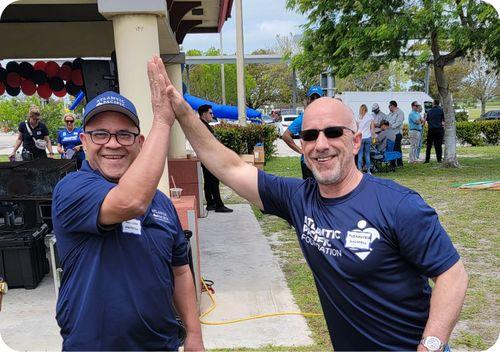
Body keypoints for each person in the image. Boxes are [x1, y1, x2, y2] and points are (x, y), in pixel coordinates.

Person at [161, 72, 468, 350]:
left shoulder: (398, 205)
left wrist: (431, 346)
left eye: (333, 132)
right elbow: (228, 167)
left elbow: (452, 275)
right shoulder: (299, 198)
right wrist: (183, 112)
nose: (320, 144)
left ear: (356, 141)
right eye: (310, 136)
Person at [51, 57, 203, 351]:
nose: (113, 143)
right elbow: (130, 201)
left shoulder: (161, 204)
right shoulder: (71, 190)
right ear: (83, 141)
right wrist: (162, 119)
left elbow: (181, 272)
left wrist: (194, 336)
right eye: (100, 134)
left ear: (140, 143)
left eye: (124, 134)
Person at [282, 85, 324, 179]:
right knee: (310, 192)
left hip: (324, 161)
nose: (315, 100)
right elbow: (286, 135)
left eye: (318, 97)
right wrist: (300, 150)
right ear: (308, 100)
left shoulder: (327, 116)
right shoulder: (304, 117)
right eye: (312, 97)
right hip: (309, 163)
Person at [198, 104, 233, 213]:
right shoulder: (202, 126)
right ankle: (219, 204)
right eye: (210, 113)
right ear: (204, 114)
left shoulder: (203, 125)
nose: (212, 115)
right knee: (213, 180)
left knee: (208, 181)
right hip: (209, 157)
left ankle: (210, 203)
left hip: (207, 156)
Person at [356, 104, 375, 173]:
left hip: (360, 138)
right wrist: (374, 137)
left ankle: (359, 171)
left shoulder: (358, 117)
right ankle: (369, 171)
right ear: (366, 109)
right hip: (368, 137)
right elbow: (372, 129)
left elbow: (356, 129)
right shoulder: (370, 117)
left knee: (360, 154)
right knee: (367, 154)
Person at [386, 100, 404, 167]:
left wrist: (390, 126)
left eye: (389, 106)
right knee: (392, 149)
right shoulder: (390, 114)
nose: (388, 107)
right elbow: (387, 121)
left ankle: (399, 163)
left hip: (397, 134)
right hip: (390, 134)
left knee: (397, 148)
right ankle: (392, 163)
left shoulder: (400, 112)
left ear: (393, 106)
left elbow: (398, 123)